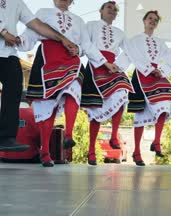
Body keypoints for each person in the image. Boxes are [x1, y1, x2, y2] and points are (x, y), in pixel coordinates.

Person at [19, 0, 119, 167]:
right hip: (47, 58)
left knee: (74, 85)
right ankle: (45, 152)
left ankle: (69, 135)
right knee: (47, 107)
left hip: (70, 59)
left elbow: (86, 45)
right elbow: (30, 34)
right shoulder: (43, 12)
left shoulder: (78, 21)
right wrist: (17, 41)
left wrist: (84, 53)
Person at [123, 10, 171, 166]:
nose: (152, 21)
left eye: (155, 20)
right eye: (150, 18)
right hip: (141, 74)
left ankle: (157, 141)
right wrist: (143, 68)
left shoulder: (160, 42)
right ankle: (137, 152)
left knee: (166, 103)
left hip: (156, 76)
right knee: (140, 115)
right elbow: (131, 56)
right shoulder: (134, 40)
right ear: (144, 21)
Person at [0, 0, 76, 152]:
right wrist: (3, 32)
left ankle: (6, 137)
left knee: (15, 87)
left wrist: (62, 38)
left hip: (8, 54)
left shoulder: (17, 3)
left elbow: (36, 24)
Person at [81, 1, 134, 166]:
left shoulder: (120, 33)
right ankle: (91, 151)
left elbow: (131, 50)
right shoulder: (90, 25)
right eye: (109, 8)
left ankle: (114, 135)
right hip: (95, 65)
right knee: (96, 107)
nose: (112, 10)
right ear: (101, 11)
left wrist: (119, 65)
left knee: (123, 90)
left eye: (115, 9)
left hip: (113, 67)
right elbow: (86, 45)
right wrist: (103, 62)